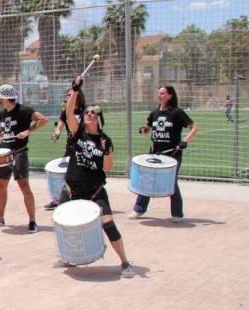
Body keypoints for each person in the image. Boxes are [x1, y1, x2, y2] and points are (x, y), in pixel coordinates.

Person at [55, 76, 134, 277]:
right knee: (64, 224)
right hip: (72, 189)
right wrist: (75, 89)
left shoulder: (105, 140)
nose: (89, 114)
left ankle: (125, 262)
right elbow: (69, 112)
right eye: (87, 111)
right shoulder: (77, 132)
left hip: (95, 190)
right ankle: (68, 257)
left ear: (99, 119)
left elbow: (107, 167)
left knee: (108, 222)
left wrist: (106, 152)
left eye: (93, 113)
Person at [0, 84, 48, 233]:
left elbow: (43, 119)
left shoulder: (24, 111)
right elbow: (3, 130)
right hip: (4, 153)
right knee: (1, 185)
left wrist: (28, 131)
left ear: (5, 98)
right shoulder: (2, 113)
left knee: (24, 185)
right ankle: (0, 217)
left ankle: (32, 221)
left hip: (19, 152)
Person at [130, 85, 198, 222]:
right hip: (155, 154)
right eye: (158, 93)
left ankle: (177, 214)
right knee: (147, 181)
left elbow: (194, 127)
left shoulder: (177, 112)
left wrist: (185, 141)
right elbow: (148, 128)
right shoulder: (154, 113)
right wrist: (143, 130)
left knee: (171, 183)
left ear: (170, 95)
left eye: (162, 93)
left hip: (172, 155)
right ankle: (139, 209)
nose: (159, 95)